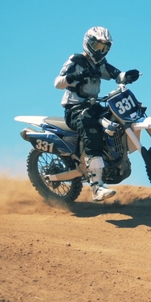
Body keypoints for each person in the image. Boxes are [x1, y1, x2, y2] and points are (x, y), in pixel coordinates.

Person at [54, 26, 140, 202]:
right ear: (88, 43)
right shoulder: (76, 60)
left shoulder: (100, 64)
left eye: (105, 48)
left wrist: (128, 76)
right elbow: (58, 82)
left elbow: (116, 74)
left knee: (115, 119)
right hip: (75, 109)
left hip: (93, 106)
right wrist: (74, 76)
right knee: (91, 128)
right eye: (97, 46)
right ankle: (96, 186)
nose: (100, 51)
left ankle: (113, 159)